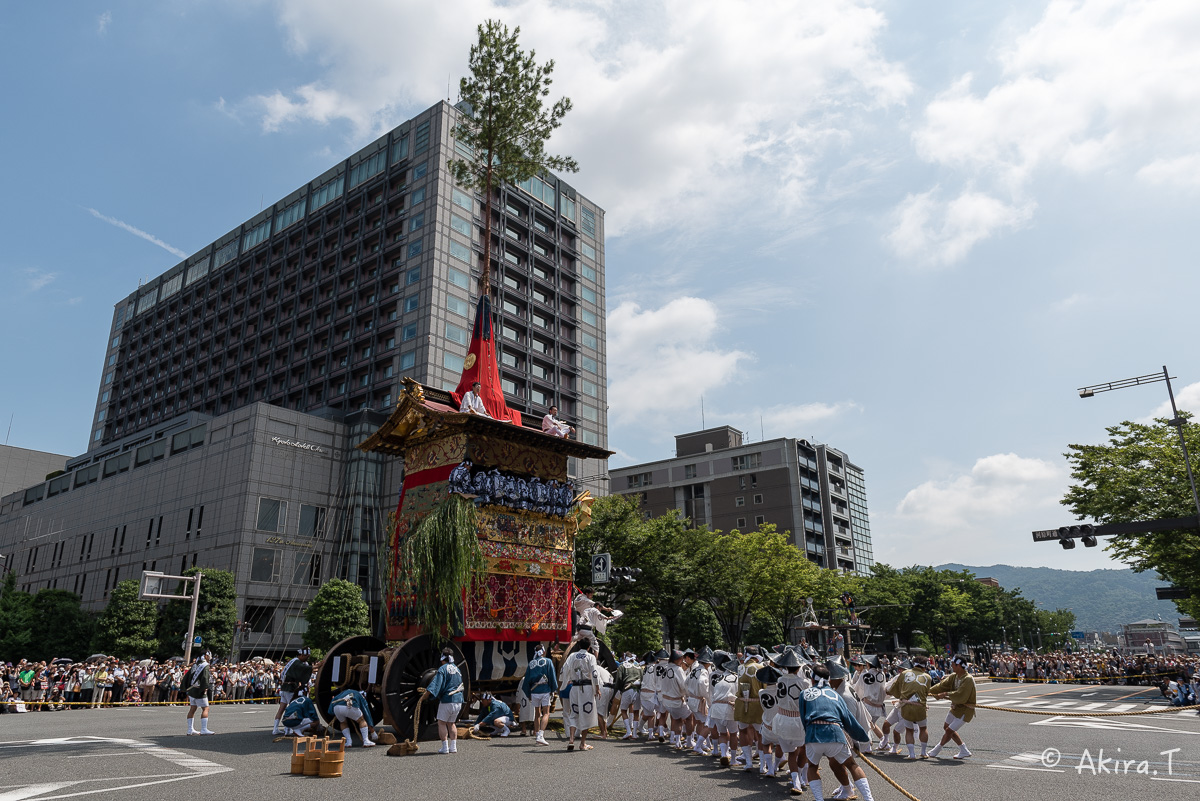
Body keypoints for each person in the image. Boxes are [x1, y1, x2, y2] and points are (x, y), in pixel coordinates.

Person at [798, 664, 876, 801]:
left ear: (812, 679)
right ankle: (869, 799)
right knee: (852, 765)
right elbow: (848, 719)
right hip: (835, 734)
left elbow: (804, 718)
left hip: (813, 734)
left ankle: (819, 799)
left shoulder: (804, 694)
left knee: (812, 766)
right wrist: (859, 737)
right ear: (829, 679)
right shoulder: (836, 695)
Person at [927, 655, 976, 759]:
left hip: (965, 709)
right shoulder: (954, 676)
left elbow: (961, 694)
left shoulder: (968, 679)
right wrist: (928, 691)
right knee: (947, 728)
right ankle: (964, 750)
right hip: (955, 707)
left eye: (953, 665)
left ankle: (937, 749)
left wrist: (945, 694)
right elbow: (942, 685)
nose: (952, 666)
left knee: (949, 730)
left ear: (959, 665)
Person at [421, 648, 466, 754]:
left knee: (441, 723)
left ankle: (445, 747)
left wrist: (425, 696)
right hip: (458, 701)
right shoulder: (457, 669)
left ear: (442, 659)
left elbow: (436, 685)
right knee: (451, 723)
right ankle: (453, 747)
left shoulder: (442, 669)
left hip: (447, 700)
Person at [561, 638, 601, 751]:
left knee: (574, 713)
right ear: (588, 647)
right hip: (587, 688)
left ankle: (571, 740)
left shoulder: (572, 656)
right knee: (586, 713)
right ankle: (583, 743)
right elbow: (594, 672)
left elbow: (564, 668)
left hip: (574, 687)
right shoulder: (590, 657)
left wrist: (565, 681)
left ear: (579, 646)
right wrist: (597, 688)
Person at [887, 658, 931, 759]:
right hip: (920, 706)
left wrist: (900, 695)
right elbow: (926, 692)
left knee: (909, 730)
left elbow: (896, 687)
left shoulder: (905, 673)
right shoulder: (928, 677)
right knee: (923, 729)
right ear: (924, 667)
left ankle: (912, 754)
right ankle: (924, 752)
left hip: (906, 706)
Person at [520, 645, 557, 746]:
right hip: (544, 689)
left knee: (537, 713)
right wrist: (553, 688)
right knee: (546, 713)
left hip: (534, 691)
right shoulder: (548, 661)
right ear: (544, 652)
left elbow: (526, 680)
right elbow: (552, 676)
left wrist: (528, 694)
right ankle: (541, 735)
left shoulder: (531, 663)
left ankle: (537, 735)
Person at [273, 648, 313, 735]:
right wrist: (317, 666)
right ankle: (288, 729)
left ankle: (275, 729)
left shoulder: (292, 661)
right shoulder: (297, 662)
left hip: (284, 688)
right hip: (289, 688)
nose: (307, 658)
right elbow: (305, 669)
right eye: (306, 656)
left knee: (281, 709)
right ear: (301, 655)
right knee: (292, 709)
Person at [182, 651, 215, 735]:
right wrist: (205, 687)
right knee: (205, 708)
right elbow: (205, 677)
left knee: (192, 708)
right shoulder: (205, 666)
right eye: (208, 655)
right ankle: (204, 729)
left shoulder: (195, 664)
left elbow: (188, 676)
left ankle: (190, 729)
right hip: (199, 689)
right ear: (205, 656)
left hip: (191, 689)